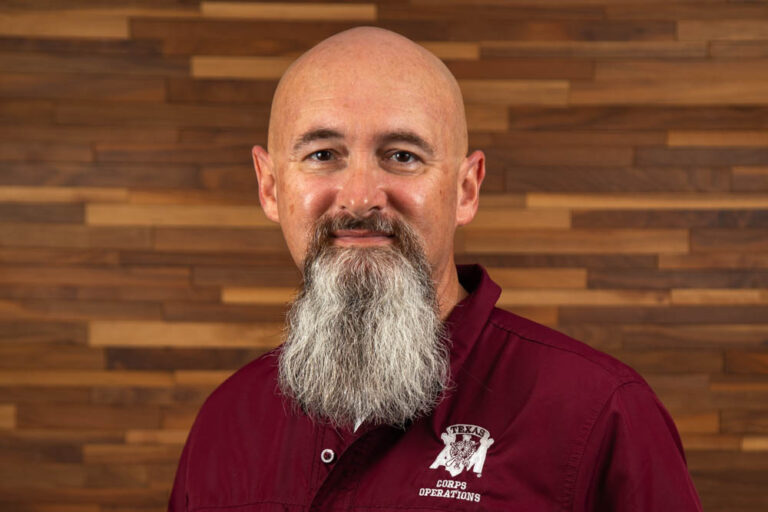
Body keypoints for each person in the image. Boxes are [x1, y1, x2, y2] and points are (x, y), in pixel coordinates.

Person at [168, 27, 703, 511]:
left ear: (465, 190)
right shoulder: (226, 420)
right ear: (270, 187)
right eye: (323, 155)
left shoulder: (600, 413)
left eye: (402, 156)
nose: (360, 197)